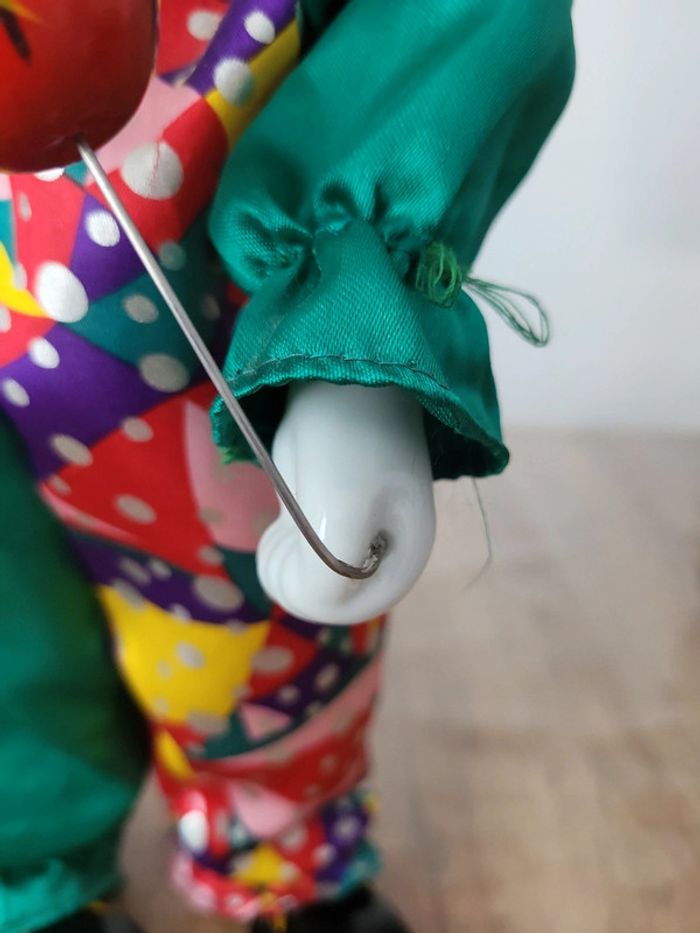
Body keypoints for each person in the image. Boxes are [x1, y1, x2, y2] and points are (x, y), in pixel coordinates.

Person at [0, 1, 575, 930]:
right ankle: (24, 866)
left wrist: (347, 340)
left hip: (188, 268)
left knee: (251, 614)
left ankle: (279, 850)